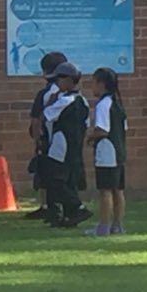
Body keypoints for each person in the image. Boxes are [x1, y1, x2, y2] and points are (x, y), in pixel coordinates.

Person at [42, 62, 93, 228]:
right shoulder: (83, 101)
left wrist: (51, 101)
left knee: (55, 181)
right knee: (70, 180)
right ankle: (70, 216)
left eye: (59, 79)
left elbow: (46, 116)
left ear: (69, 80)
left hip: (60, 145)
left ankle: (78, 207)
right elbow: (86, 123)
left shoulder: (64, 101)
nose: (57, 83)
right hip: (76, 145)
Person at [26, 51, 68, 220]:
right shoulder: (68, 91)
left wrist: (37, 140)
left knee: (47, 173)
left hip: (49, 138)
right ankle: (57, 205)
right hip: (66, 137)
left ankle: (49, 205)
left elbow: (36, 120)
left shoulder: (46, 93)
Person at [86, 68, 128, 237]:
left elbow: (103, 129)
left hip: (106, 151)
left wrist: (90, 136)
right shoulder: (118, 103)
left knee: (105, 190)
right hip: (119, 150)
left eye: (93, 83)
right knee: (118, 189)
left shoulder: (103, 104)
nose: (92, 87)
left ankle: (103, 226)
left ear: (101, 84)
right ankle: (117, 225)